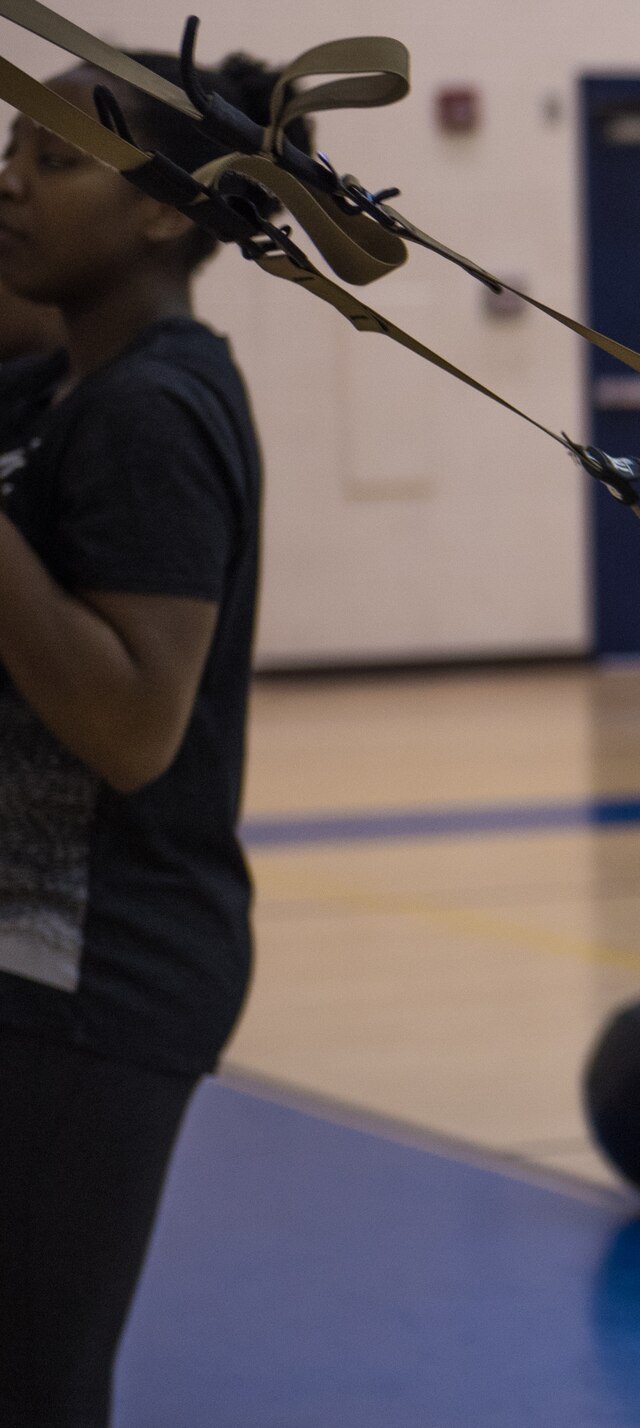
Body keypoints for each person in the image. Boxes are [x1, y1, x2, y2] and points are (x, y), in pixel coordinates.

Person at [0, 52, 304, 1428]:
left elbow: (132, 725)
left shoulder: (153, 411)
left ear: (167, 213)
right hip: (34, 950)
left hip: (102, 974)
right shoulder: (61, 383)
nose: (9, 181)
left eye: (52, 159)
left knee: (33, 1380)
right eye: (9, 150)